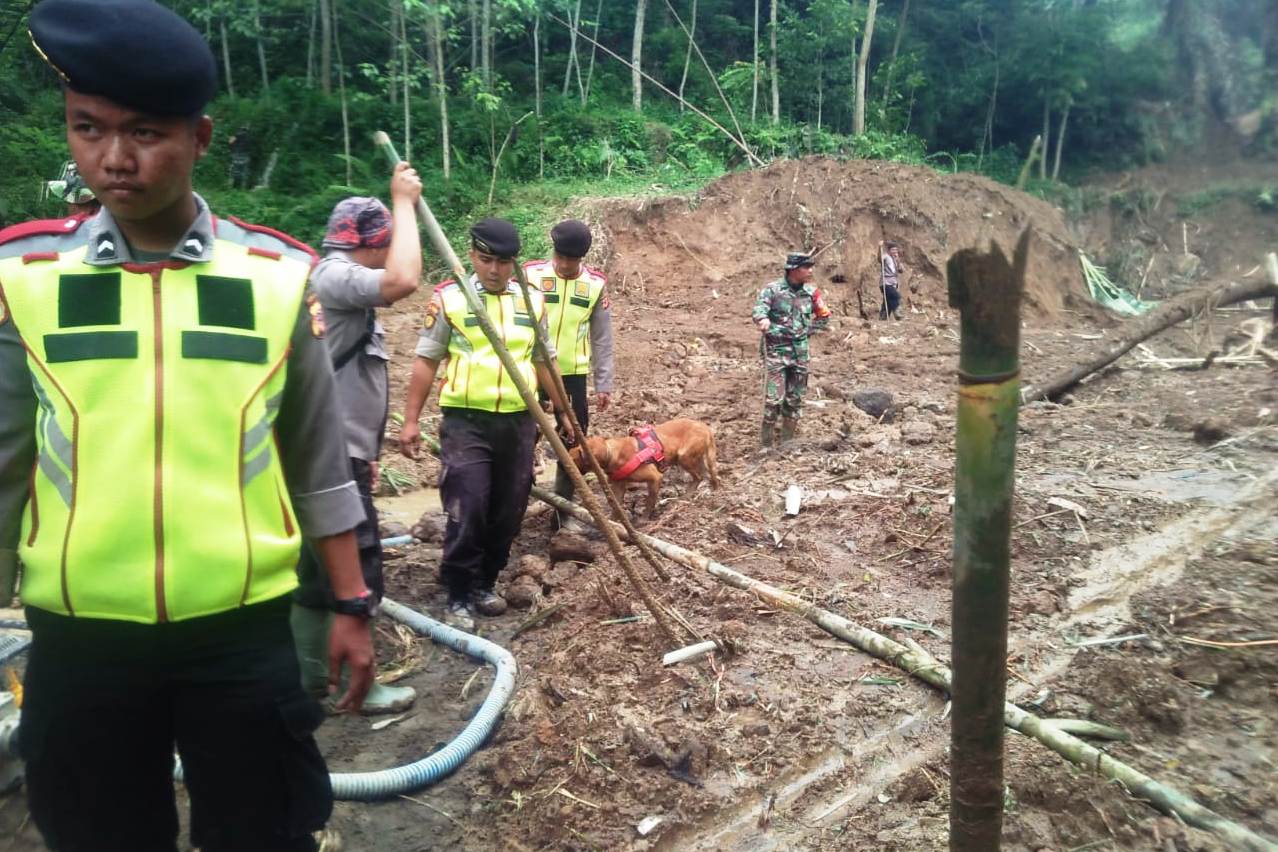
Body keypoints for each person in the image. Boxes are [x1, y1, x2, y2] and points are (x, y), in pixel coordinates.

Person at [0, 2, 373, 849]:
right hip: (80, 642)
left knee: (264, 832)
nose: (114, 158)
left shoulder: (276, 276)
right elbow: (6, 460)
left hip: (242, 637)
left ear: (200, 138)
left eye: (145, 133)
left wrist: (350, 603)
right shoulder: (26, 275)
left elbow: (317, 462)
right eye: (88, 128)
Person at [398, 218, 572, 630]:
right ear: (472, 256)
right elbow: (426, 360)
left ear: (515, 263)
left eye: (503, 262)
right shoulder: (450, 299)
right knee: (469, 504)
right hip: (466, 422)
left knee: (509, 508)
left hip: (518, 421)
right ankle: (458, 590)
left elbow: (543, 359)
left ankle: (485, 582)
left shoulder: (531, 301)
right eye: (485, 260)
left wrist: (563, 410)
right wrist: (411, 419)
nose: (494, 270)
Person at [292, 178, 423, 715]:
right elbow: (404, 280)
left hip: (342, 452)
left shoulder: (335, 282)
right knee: (355, 567)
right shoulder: (336, 276)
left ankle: (312, 678)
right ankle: (350, 686)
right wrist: (403, 202)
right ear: (373, 243)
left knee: (317, 569)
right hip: (334, 457)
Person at [521, 219, 615, 532]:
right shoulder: (530, 275)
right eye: (559, 257)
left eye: (571, 260)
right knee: (521, 437)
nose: (563, 265)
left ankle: (563, 515)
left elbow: (602, 337)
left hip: (572, 375)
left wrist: (603, 382)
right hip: (530, 369)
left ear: (581, 258)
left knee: (573, 444)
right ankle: (516, 503)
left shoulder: (595, 285)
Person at [752, 252, 832, 447]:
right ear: (793, 270)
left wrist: (805, 332)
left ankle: (788, 443)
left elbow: (824, 315)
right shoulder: (773, 290)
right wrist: (763, 320)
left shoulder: (811, 293)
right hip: (776, 352)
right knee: (773, 400)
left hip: (800, 354)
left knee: (795, 399)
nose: (810, 271)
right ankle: (766, 445)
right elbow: (759, 310)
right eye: (806, 267)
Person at [879, 239, 905, 320]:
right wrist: (879, 248)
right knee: (896, 296)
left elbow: (901, 270)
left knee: (887, 301)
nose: (895, 251)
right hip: (886, 282)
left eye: (896, 250)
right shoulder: (886, 256)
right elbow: (879, 259)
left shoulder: (895, 259)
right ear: (889, 250)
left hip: (893, 283)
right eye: (893, 250)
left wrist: (898, 261)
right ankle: (898, 314)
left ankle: (883, 317)